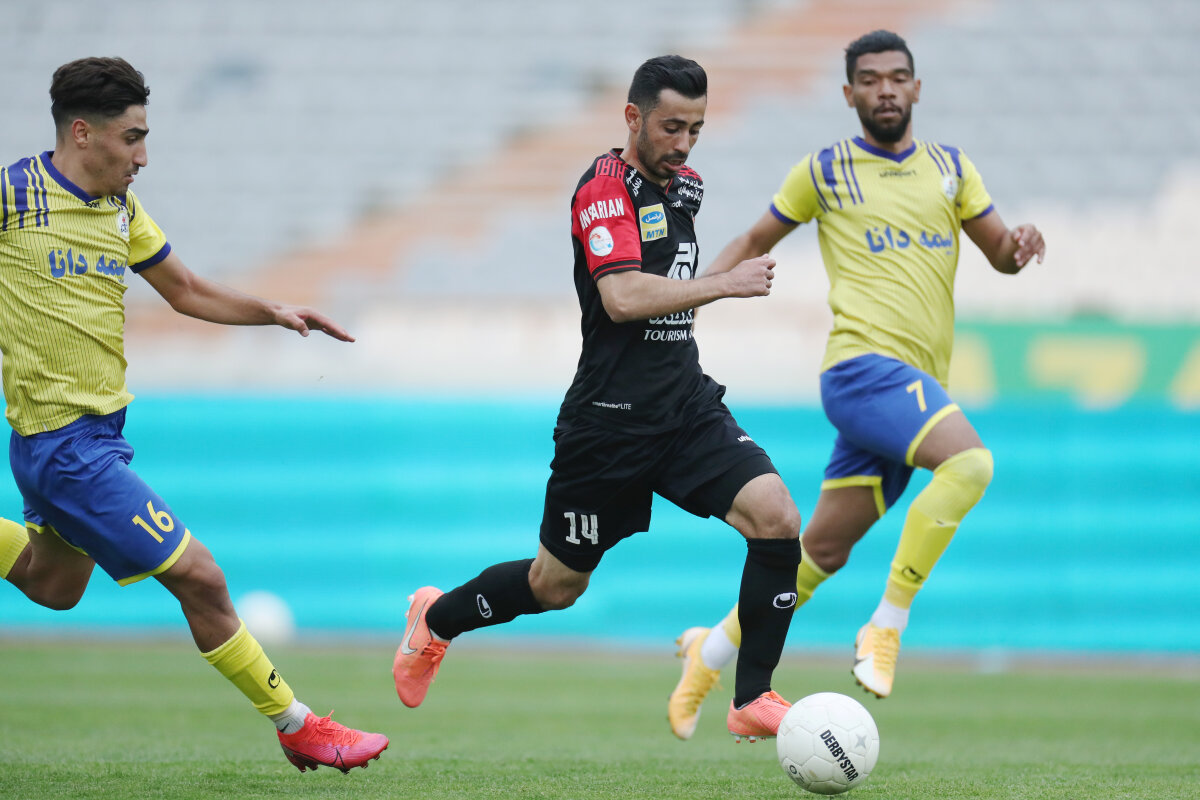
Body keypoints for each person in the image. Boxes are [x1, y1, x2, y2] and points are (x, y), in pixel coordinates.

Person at [392, 55, 805, 743]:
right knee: (556, 586)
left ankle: (751, 696)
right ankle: (436, 620)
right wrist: (725, 285)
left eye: (696, 130)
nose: (684, 144)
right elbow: (621, 297)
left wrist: (725, 272)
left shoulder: (686, 187)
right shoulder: (603, 190)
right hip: (608, 425)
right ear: (632, 117)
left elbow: (679, 280)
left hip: (684, 407)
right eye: (671, 127)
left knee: (777, 516)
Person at [0, 57, 388, 773]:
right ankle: (297, 724)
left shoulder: (120, 208)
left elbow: (184, 290)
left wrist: (273, 311)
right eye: (132, 138)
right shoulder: (13, 197)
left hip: (91, 439)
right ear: (82, 133)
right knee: (202, 579)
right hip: (64, 448)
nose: (143, 157)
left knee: (53, 588)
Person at [667, 29, 1047, 740]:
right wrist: (687, 300)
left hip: (910, 391)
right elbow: (752, 241)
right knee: (970, 464)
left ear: (916, 87)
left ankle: (708, 653)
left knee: (818, 555)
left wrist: (1020, 243)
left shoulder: (951, 168)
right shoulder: (825, 171)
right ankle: (887, 625)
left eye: (897, 77)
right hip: (862, 371)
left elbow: (1000, 252)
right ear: (849, 94)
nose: (885, 90)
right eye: (869, 80)